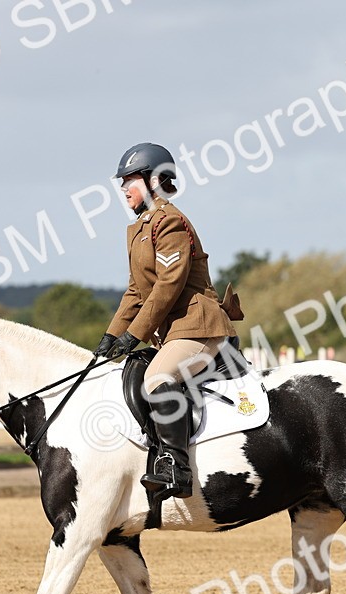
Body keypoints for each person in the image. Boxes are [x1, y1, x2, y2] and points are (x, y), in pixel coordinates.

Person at [94, 142, 240, 500]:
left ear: (153, 180)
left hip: (200, 326)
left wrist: (135, 334)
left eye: (130, 180)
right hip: (174, 332)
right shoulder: (139, 229)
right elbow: (135, 291)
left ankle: (176, 468)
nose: (124, 189)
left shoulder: (170, 221)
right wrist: (110, 338)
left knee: (158, 377)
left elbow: (169, 284)